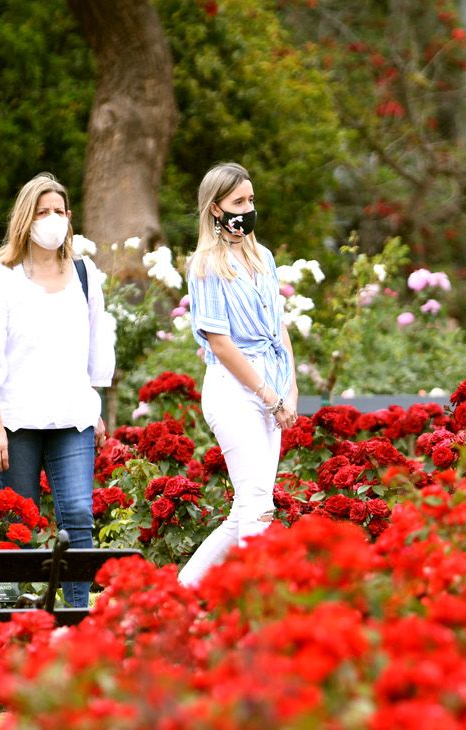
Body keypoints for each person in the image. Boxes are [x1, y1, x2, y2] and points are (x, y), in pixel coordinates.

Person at [0, 173, 115, 607]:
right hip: (14, 419)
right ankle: (16, 620)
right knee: (17, 519)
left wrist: (95, 406)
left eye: (59, 212)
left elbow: (95, 345)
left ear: (70, 217)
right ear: (26, 219)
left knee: (79, 514)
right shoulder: (1, 276)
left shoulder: (85, 275)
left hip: (72, 417)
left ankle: (77, 612)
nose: (52, 220)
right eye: (43, 212)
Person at [178, 162, 298, 587]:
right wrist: (269, 395)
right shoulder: (206, 266)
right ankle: (260, 601)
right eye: (239, 202)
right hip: (235, 389)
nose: (248, 209)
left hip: (272, 385)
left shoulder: (263, 257)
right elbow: (220, 342)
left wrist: (290, 386)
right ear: (215, 209)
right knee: (255, 505)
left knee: (249, 505)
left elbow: (278, 324)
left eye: (251, 200)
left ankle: (180, 592)